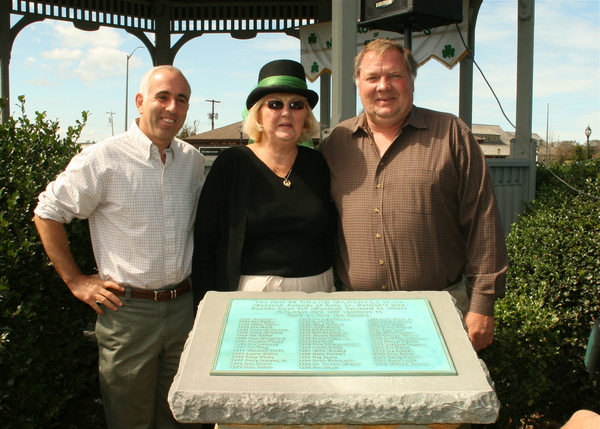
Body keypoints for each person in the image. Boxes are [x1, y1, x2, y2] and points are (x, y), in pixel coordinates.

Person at [34, 65, 205, 428]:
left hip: (184, 308)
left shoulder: (191, 160)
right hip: (128, 313)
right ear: (141, 101)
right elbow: (47, 212)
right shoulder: (103, 158)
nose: (172, 107)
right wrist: (76, 281)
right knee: (129, 420)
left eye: (181, 99)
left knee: (181, 416)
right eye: (163, 97)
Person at [320, 39, 508, 352]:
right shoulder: (336, 143)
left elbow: (482, 222)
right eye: (372, 78)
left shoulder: (450, 134)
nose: (383, 86)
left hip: (441, 310)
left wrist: (482, 304)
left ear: (411, 81)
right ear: (358, 84)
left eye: (394, 75)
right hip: (357, 312)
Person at [192, 59, 336, 307]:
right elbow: (206, 243)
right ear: (258, 112)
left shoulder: (318, 164)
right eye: (275, 104)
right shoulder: (232, 164)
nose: (286, 112)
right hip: (251, 293)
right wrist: (204, 309)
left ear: (306, 115)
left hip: (318, 289)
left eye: (296, 105)